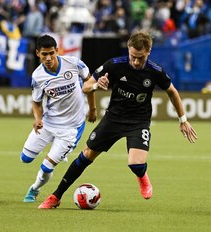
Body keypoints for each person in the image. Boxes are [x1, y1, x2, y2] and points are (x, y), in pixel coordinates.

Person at [38, 31, 197, 209]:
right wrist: (98, 85)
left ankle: (142, 177)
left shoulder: (155, 71)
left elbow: (172, 91)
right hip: (113, 119)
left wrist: (183, 119)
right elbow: (86, 87)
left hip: (139, 121)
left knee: (135, 164)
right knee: (87, 156)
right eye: (133, 57)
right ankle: (56, 196)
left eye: (140, 58)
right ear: (128, 50)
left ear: (148, 52)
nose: (136, 62)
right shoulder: (114, 65)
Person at [21, 34, 97, 203]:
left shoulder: (74, 63)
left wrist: (92, 109)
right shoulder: (38, 76)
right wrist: (38, 119)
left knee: (47, 166)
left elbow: (89, 84)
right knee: (25, 158)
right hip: (48, 123)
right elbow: (36, 102)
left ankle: (34, 189)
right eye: (44, 54)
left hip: (71, 128)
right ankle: (43, 163)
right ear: (37, 54)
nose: (48, 58)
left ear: (57, 51)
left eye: (51, 53)